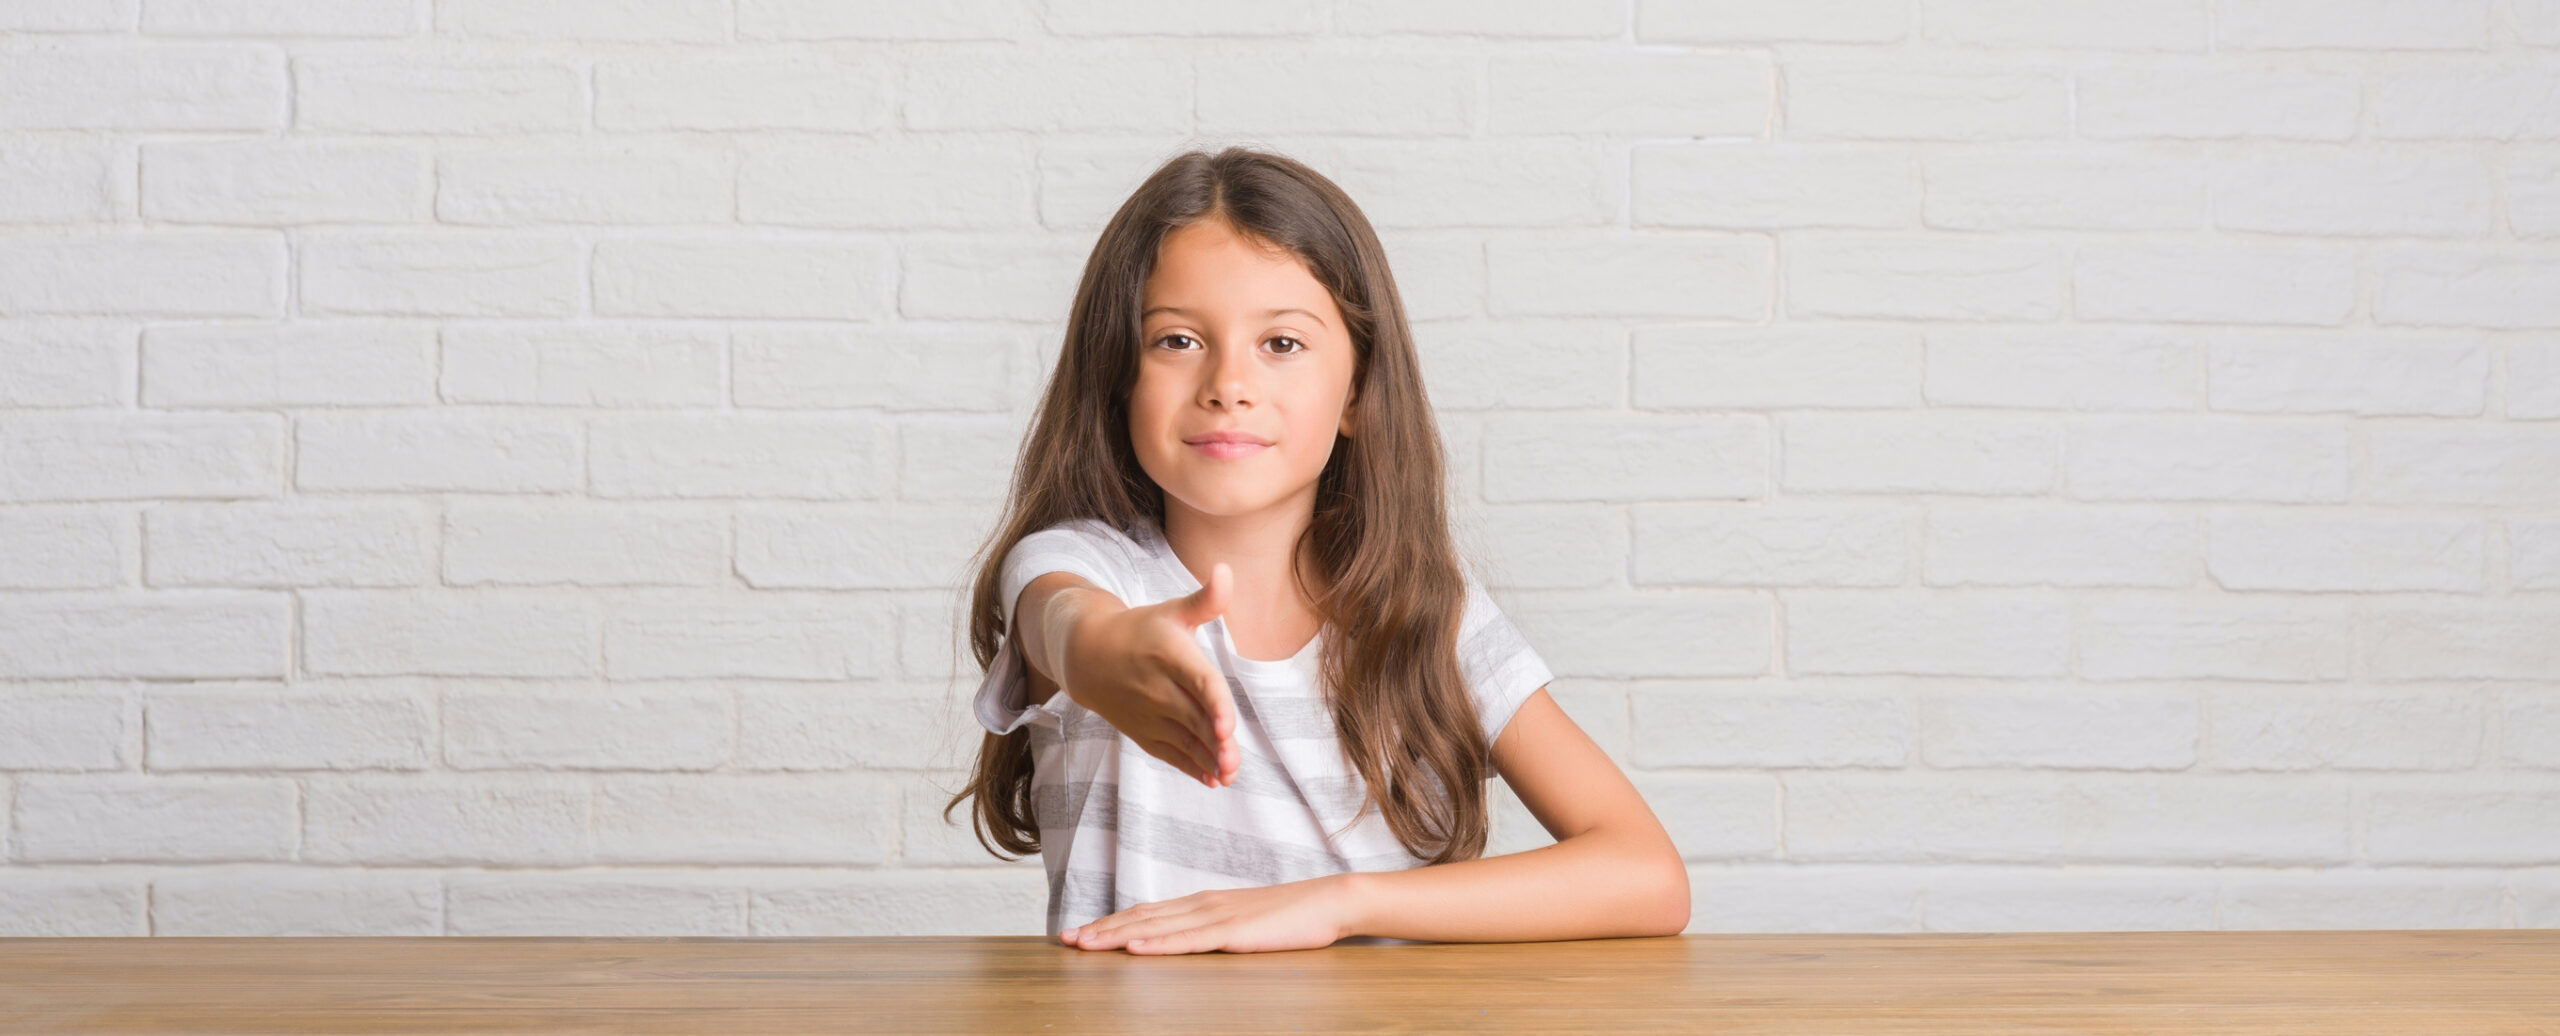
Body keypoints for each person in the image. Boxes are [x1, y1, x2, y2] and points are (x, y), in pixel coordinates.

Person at [942, 145, 1688, 955]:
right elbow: (1066, 624)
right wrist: (1107, 653)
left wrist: (1339, 904)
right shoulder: (1087, 569)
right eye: (1178, 341)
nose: (1229, 383)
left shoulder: (1428, 614)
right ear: (1117, 376)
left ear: (1359, 394)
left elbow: (1646, 875)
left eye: (1283, 345)